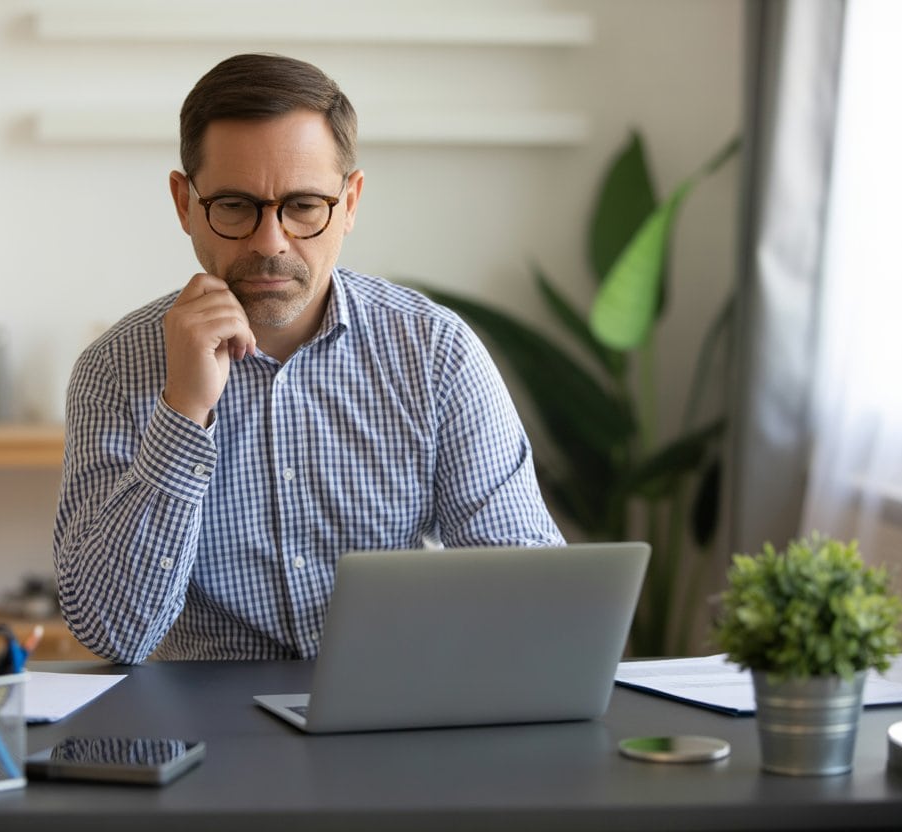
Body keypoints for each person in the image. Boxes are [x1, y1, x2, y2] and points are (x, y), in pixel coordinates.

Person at [53, 53, 564, 664]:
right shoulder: (114, 369)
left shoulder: (434, 352)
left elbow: (530, 597)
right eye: (236, 206)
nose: (270, 243)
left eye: (303, 206)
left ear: (349, 202)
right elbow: (113, 634)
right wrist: (184, 412)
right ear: (184, 202)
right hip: (209, 737)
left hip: (391, 715)